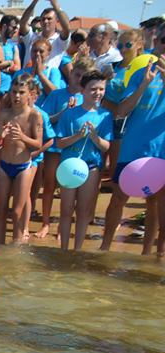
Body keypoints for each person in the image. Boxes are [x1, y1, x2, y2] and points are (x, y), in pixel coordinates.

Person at [101, 36, 165, 254]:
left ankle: (149, 253)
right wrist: (144, 84)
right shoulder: (141, 73)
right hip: (133, 147)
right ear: (156, 43)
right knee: (118, 197)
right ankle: (104, 248)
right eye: (163, 40)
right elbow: (121, 110)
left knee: (155, 202)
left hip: (160, 149)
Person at [33, 56, 91, 238]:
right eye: (77, 74)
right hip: (55, 146)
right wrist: (65, 112)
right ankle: (45, 223)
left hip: (74, 149)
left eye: (83, 76)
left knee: (70, 187)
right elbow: (47, 119)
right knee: (49, 184)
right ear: (71, 73)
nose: (79, 79)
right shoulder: (57, 94)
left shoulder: (86, 97)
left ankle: (63, 227)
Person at [54, 69, 112, 250]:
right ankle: (63, 249)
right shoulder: (70, 114)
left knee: (83, 211)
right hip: (69, 167)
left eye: (101, 89)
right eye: (93, 89)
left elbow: (106, 146)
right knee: (66, 210)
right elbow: (60, 143)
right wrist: (78, 136)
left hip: (92, 167)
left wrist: (95, 137)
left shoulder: (105, 116)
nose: (98, 93)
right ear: (83, 90)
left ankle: (77, 249)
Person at [0, 74, 43, 243]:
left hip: (23, 166)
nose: (17, 96)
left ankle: (17, 246)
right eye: (14, 92)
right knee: (1, 210)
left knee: (16, 212)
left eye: (21, 92)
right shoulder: (5, 114)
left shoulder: (34, 116)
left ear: (30, 94)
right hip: (4, 165)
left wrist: (22, 137)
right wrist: (0, 134)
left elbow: (38, 144)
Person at [19, 0, 71, 69]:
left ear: (57, 21)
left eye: (49, 19)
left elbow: (66, 27)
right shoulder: (32, 37)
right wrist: (34, 2)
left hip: (48, 78)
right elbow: (22, 23)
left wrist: (55, 4)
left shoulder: (60, 40)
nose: (46, 21)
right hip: (28, 77)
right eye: (43, 19)